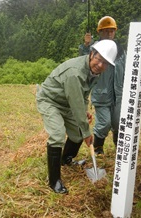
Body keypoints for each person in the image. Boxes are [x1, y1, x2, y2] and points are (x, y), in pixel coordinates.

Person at [36, 40, 117, 194]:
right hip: (50, 100)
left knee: (78, 132)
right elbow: (75, 101)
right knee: (58, 135)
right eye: (99, 59)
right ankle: (54, 181)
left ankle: (66, 159)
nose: (100, 65)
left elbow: (83, 95)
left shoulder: (95, 72)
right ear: (91, 54)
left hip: (67, 102)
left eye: (105, 63)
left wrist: (84, 112)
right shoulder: (75, 72)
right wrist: (87, 132)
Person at [82, 16, 126, 156]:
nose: (109, 34)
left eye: (111, 31)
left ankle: (119, 148)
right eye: (105, 31)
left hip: (118, 94)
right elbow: (85, 61)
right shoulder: (94, 49)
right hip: (101, 94)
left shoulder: (120, 50)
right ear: (100, 32)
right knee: (104, 123)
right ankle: (98, 148)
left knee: (118, 123)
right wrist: (86, 45)